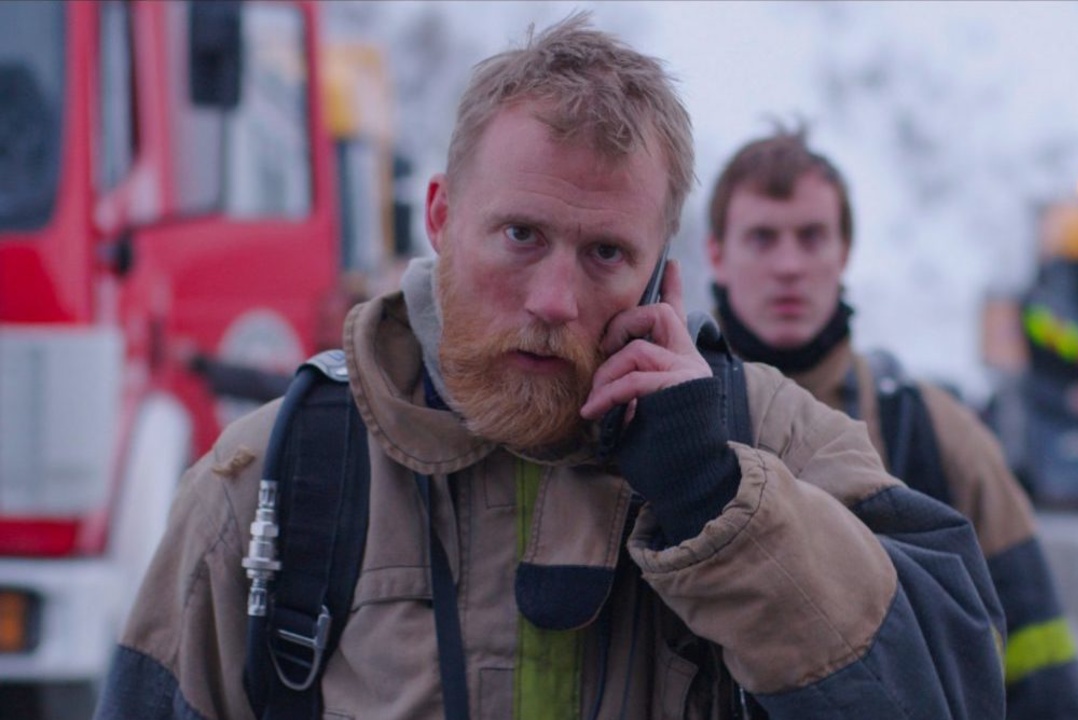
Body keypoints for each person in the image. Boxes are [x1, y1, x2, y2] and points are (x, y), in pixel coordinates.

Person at [96, 15, 1007, 720]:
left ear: (661, 271)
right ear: (443, 217)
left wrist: (719, 504)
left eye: (606, 253)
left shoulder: (771, 439)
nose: (555, 300)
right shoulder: (272, 479)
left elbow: (952, 685)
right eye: (521, 234)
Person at [705, 127, 1078, 719]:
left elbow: (1039, 661)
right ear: (717, 255)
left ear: (844, 253)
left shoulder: (937, 434)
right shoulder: (668, 425)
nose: (789, 265)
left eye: (812, 237)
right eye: (762, 238)